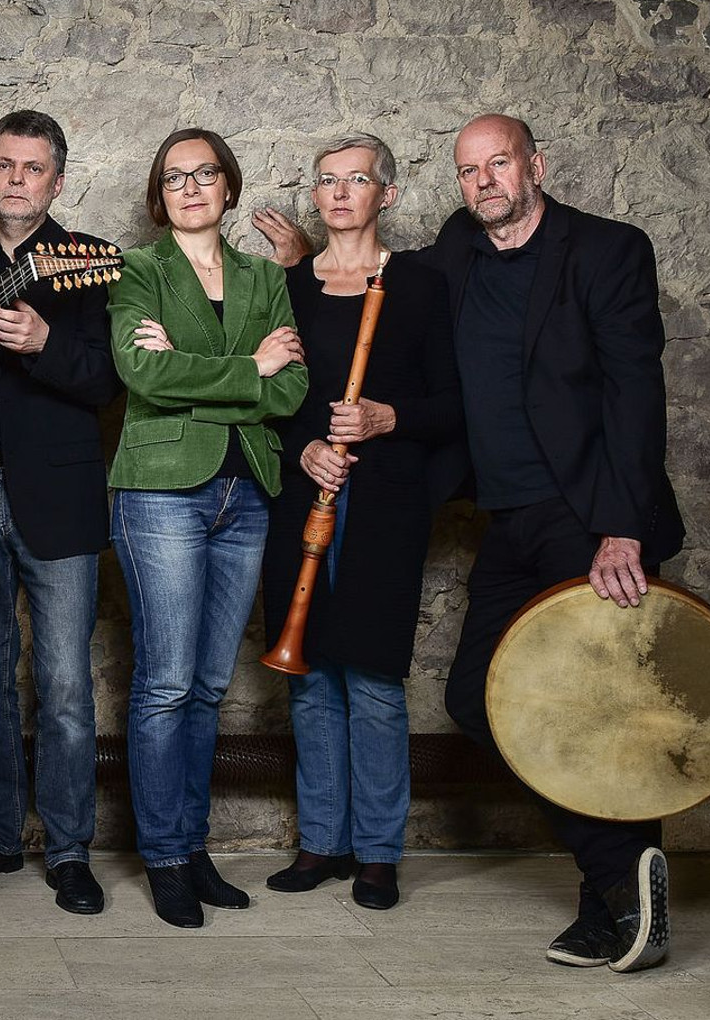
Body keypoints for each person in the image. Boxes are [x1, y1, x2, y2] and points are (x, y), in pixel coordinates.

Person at [436, 115, 681, 972]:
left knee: (604, 710)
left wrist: (623, 527)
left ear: (535, 164)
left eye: (499, 162)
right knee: (478, 697)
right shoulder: (456, 251)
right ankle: (622, 878)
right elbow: (381, 283)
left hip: (590, 517)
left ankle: (610, 907)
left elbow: (635, 394)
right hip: (509, 519)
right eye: (469, 170)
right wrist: (300, 263)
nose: (484, 181)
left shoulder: (608, 250)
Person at [257, 134, 461, 912]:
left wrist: (386, 418)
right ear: (315, 195)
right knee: (308, 675)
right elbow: (268, 399)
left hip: (383, 506)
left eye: (357, 180)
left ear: (388, 194)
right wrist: (304, 448)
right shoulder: (287, 287)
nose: (340, 192)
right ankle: (322, 841)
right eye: (327, 180)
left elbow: (454, 404)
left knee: (373, 679)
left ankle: (377, 852)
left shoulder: (424, 287)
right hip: (300, 499)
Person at [109, 127, 306, 929]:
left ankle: (193, 847)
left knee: (209, 687)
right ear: (159, 197)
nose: (190, 187)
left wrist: (212, 377)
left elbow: (292, 391)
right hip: (160, 492)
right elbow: (142, 374)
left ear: (228, 187)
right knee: (165, 684)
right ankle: (162, 856)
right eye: (174, 177)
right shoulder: (139, 270)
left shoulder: (265, 276)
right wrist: (251, 367)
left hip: (247, 492)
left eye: (205, 174)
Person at [0, 111, 120, 915]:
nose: (17, 180)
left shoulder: (90, 261)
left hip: (60, 495)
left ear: (58, 180)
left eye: (34, 168)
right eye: (5, 165)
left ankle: (70, 848)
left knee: (66, 685)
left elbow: (108, 381)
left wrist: (46, 341)